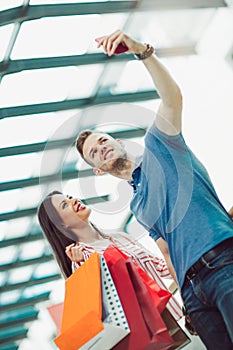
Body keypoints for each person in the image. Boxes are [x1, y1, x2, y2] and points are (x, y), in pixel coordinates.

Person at [75, 30, 233, 349]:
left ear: (118, 142)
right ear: (97, 169)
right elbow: (165, 250)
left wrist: (141, 51)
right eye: (94, 152)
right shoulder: (137, 205)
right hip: (193, 290)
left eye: (103, 140)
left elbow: (172, 97)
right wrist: (186, 300)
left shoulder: (161, 146)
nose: (101, 148)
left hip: (223, 262)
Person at [37, 190, 182, 322]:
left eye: (69, 197)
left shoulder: (120, 238)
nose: (73, 200)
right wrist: (82, 268)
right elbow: (100, 305)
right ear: (61, 225)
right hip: (144, 330)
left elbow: (161, 267)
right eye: (65, 205)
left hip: (171, 318)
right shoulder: (81, 259)